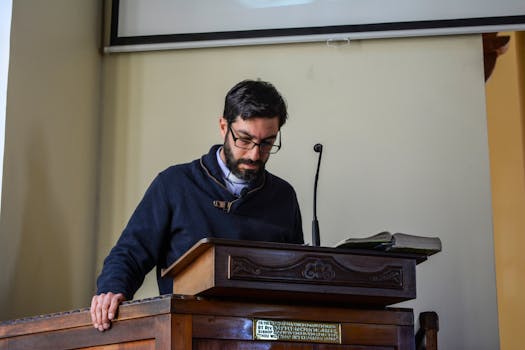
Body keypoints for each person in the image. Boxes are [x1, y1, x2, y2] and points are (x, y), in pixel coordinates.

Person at [90, 79, 304, 331]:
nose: (255, 154)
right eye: (244, 140)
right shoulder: (174, 184)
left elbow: (295, 275)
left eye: (267, 143)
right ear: (223, 126)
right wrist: (112, 290)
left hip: (262, 335)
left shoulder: (283, 196)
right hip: (186, 330)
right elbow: (130, 253)